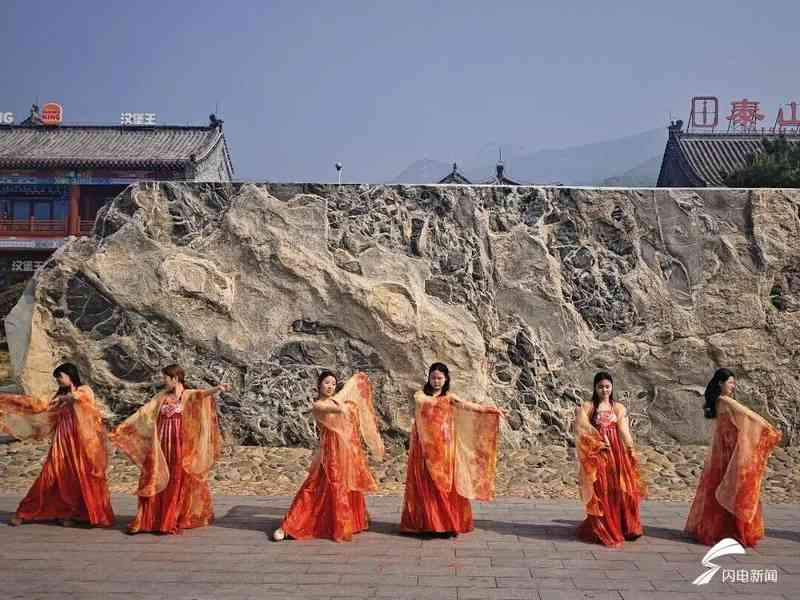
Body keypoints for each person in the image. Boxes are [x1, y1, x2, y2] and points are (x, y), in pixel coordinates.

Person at [110, 364, 229, 534]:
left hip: (179, 445)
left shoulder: (186, 395)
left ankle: (170, 518)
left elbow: (201, 394)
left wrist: (217, 388)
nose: (164, 381)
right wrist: (123, 428)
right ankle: (148, 520)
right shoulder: (162, 397)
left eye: (166, 378)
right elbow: (144, 412)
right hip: (161, 445)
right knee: (156, 476)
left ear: (175, 378)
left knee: (176, 479)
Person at [273, 371, 384, 542]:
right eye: (326, 383)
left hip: (345, 451)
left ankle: (346, 522)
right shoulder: (318, 405)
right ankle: (289, 526)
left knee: (346, 485)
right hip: (329, 453)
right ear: (319, 385)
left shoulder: (338, 400)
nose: (330, 386)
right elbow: (340, 408)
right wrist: (352, 384)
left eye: (333, 383)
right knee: (313, 487)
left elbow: (350, 409)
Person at [1, 363, 114, 527]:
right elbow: (45, 407)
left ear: (70, 375)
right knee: (51, 475)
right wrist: (14, 403)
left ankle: (74, 513)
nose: (59, 381)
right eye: (57, 379)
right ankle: (24, 512)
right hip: (63, 441)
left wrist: (66, 397)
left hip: (83, 442)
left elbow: (81, 399)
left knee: (80, 476)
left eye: (60, 377)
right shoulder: (60, 395)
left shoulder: (84, 390)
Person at [400, 362, 501, 536]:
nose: (436, 381)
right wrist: (443, 401)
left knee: (445, 486)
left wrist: (490, 410)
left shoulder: (451, 397)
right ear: (429, 378)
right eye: (433, 377)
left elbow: (470, 406)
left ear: (446, 379)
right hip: (424, 448)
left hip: (445, 449)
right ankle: (428, 525)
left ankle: (446, 524)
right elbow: (425, 401)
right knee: (427, 486)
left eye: (440, 378)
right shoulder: (420, 395)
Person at [685, 368, 782, 547]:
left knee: (719, 488)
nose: (733, 386)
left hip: (722, 453)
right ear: (721, 383)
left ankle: (719, 529)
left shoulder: (718, 402)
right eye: (730, 382)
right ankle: (732, 530)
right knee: (733, 488)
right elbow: (749, 416)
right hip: (729, 453)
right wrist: (769, 429)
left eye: (733, 383)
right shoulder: (726, 401)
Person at [575, 371, 645, 547]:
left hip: (616, 451)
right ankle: (604, 526)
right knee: (602, 487)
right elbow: (582, 429)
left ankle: (622, 525)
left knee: (618, 486)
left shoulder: (618, 407)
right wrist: (596, 442)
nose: (604, 390)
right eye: (600, 387)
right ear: (595, 388)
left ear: (612, 387)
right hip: (600, 451)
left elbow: (623, 430)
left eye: (607, 386)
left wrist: (630, 448)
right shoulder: (588, 407)